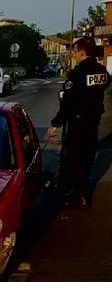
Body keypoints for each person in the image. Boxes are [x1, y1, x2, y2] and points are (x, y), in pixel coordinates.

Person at [47, 36, 110, 209]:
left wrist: (56, 123)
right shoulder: (102, 72)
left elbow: (67, 102)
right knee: (88, 157)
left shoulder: (77, 73)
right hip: (93, 121)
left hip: (76, 123)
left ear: (81, 52)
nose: (75, 55)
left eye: (75, 52)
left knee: (71, 159)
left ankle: (70, 194)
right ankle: (83, 194)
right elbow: (104, 87)